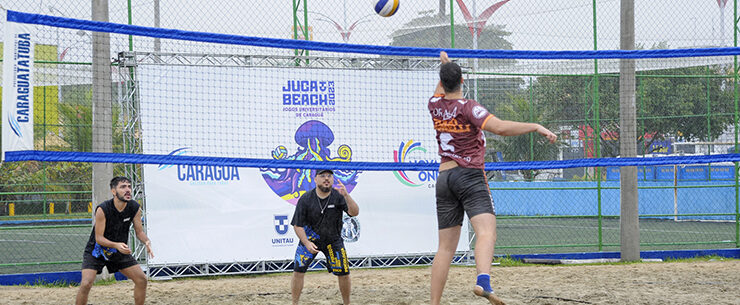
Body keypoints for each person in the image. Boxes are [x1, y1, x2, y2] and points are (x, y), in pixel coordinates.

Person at [428, 51, 557, 305]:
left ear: (442, 83)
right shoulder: (469, 107)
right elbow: (499, 127)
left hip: (444, 179)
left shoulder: (434, 105)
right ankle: (483, 281)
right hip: (469, 175)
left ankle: (434, 304)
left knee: (445, 248)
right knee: (486, 232)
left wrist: (446, 67)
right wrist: (534, 126)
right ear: (463, 81)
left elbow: (442, 88)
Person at [76, 176, 154, 305]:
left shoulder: (134, 207)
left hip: (118, 251)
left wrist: (147, 242)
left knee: (142, 280)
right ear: (113, 191)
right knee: (86, 283)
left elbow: (139, 232)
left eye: (129, 186)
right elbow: (99, 238)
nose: (128, 189)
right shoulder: (103, 209)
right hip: (97, 251)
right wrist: (116, 245)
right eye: (123, 187)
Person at [290, 169, 360, 305]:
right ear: (315, 179)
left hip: (333, 240)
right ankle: (294, 303)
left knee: (344, 273)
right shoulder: (305, 199)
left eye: (329, 176)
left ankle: (347, 303)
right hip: (310, 239)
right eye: (322, 176)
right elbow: (297, 226)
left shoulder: (339, 196)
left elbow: (354, 212)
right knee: (298, 271)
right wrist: (306, 243)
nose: (326, 179)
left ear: (333, 180)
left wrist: (347, 195)